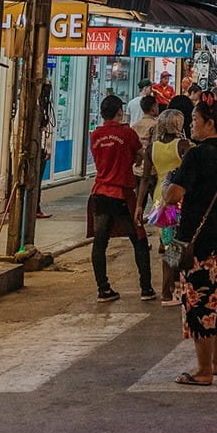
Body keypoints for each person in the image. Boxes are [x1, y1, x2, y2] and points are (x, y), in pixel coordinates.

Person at [163, 101, 217, 386]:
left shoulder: (197, 156)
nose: (191, 125)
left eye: (195, 120)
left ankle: (203, 370)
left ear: (209, 123)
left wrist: (170, 181)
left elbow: (173, 195)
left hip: (201, 242)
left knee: (200, 304)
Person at [90, 93, 155, 303]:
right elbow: (139, 156)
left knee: (100, 242)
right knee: (139, 240)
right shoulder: (127, 134)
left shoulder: (95, 135)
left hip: (100, 192)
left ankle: (103, 288)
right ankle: (146, 289)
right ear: (119, 112)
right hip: (122, 193)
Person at [150, 109, 190, 303]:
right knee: (177, 246)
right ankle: (169, 291)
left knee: (168, 244)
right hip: (177, 200)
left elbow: (144, 179)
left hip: (159, 200)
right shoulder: (183, 145)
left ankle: (170, 289)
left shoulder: (153, 147)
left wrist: (140, 206)